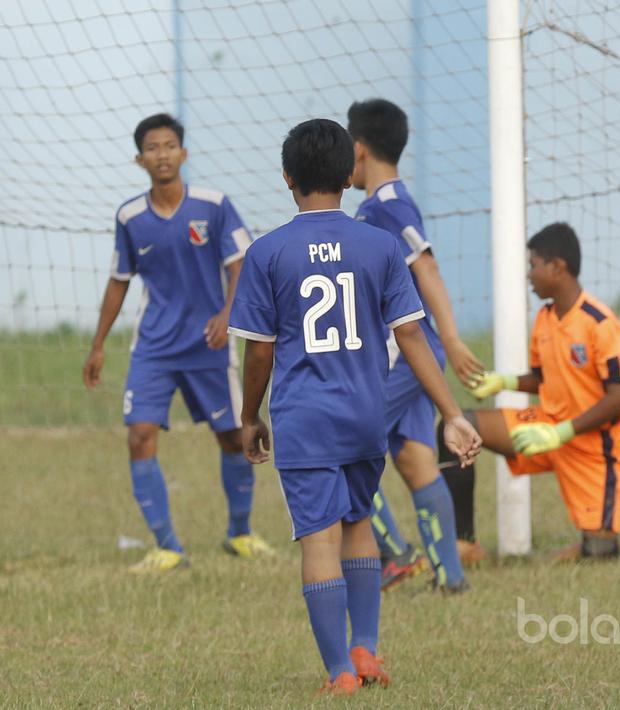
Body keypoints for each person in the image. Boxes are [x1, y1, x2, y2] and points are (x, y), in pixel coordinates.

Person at [227, 118, 481, 694]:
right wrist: (452, 413)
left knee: (320, 539)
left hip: (305, 420)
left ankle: (340, 672)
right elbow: (412, 337)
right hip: (367, 414)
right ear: (349, 173)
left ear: (286, 177)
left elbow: (259, 352)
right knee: (359, 521)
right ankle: (366, 649)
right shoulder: (379, 245)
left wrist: (249, 416)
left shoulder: (267, 253)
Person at [83, 112, 272, 573]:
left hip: (209, 346)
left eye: (169, 145)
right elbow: (118, 281)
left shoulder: (213, 205)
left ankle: (241, 533)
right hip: (154, 347)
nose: (162, 154)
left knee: (232, 436)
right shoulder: (130, 216)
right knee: (140, 434)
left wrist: (230, 313)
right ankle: (167, 546)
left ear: (183, 154)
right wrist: (98, 344)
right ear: (139, 159)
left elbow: (241, 262)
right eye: (152, 147)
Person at [348, 98, 485, 591]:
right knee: (412, 456)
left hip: (404, 353)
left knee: (346, 446)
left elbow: (424, 265)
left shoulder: (386, 205)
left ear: (358, 149)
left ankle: (392, 552)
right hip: (405, 352)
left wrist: (448, 336)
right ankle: (450, 577)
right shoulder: (383, 204)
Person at [463, 223, 620, 561]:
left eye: (533, 265)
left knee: (600, 551)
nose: (529, 275)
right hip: (544, 424)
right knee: (461, 426)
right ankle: (464, 543)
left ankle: (572, 549)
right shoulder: (544, 318)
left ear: (557, 267)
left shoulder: (599, 322)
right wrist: (506, 382)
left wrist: (563, 432)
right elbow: (543, 378)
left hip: (591, 446)